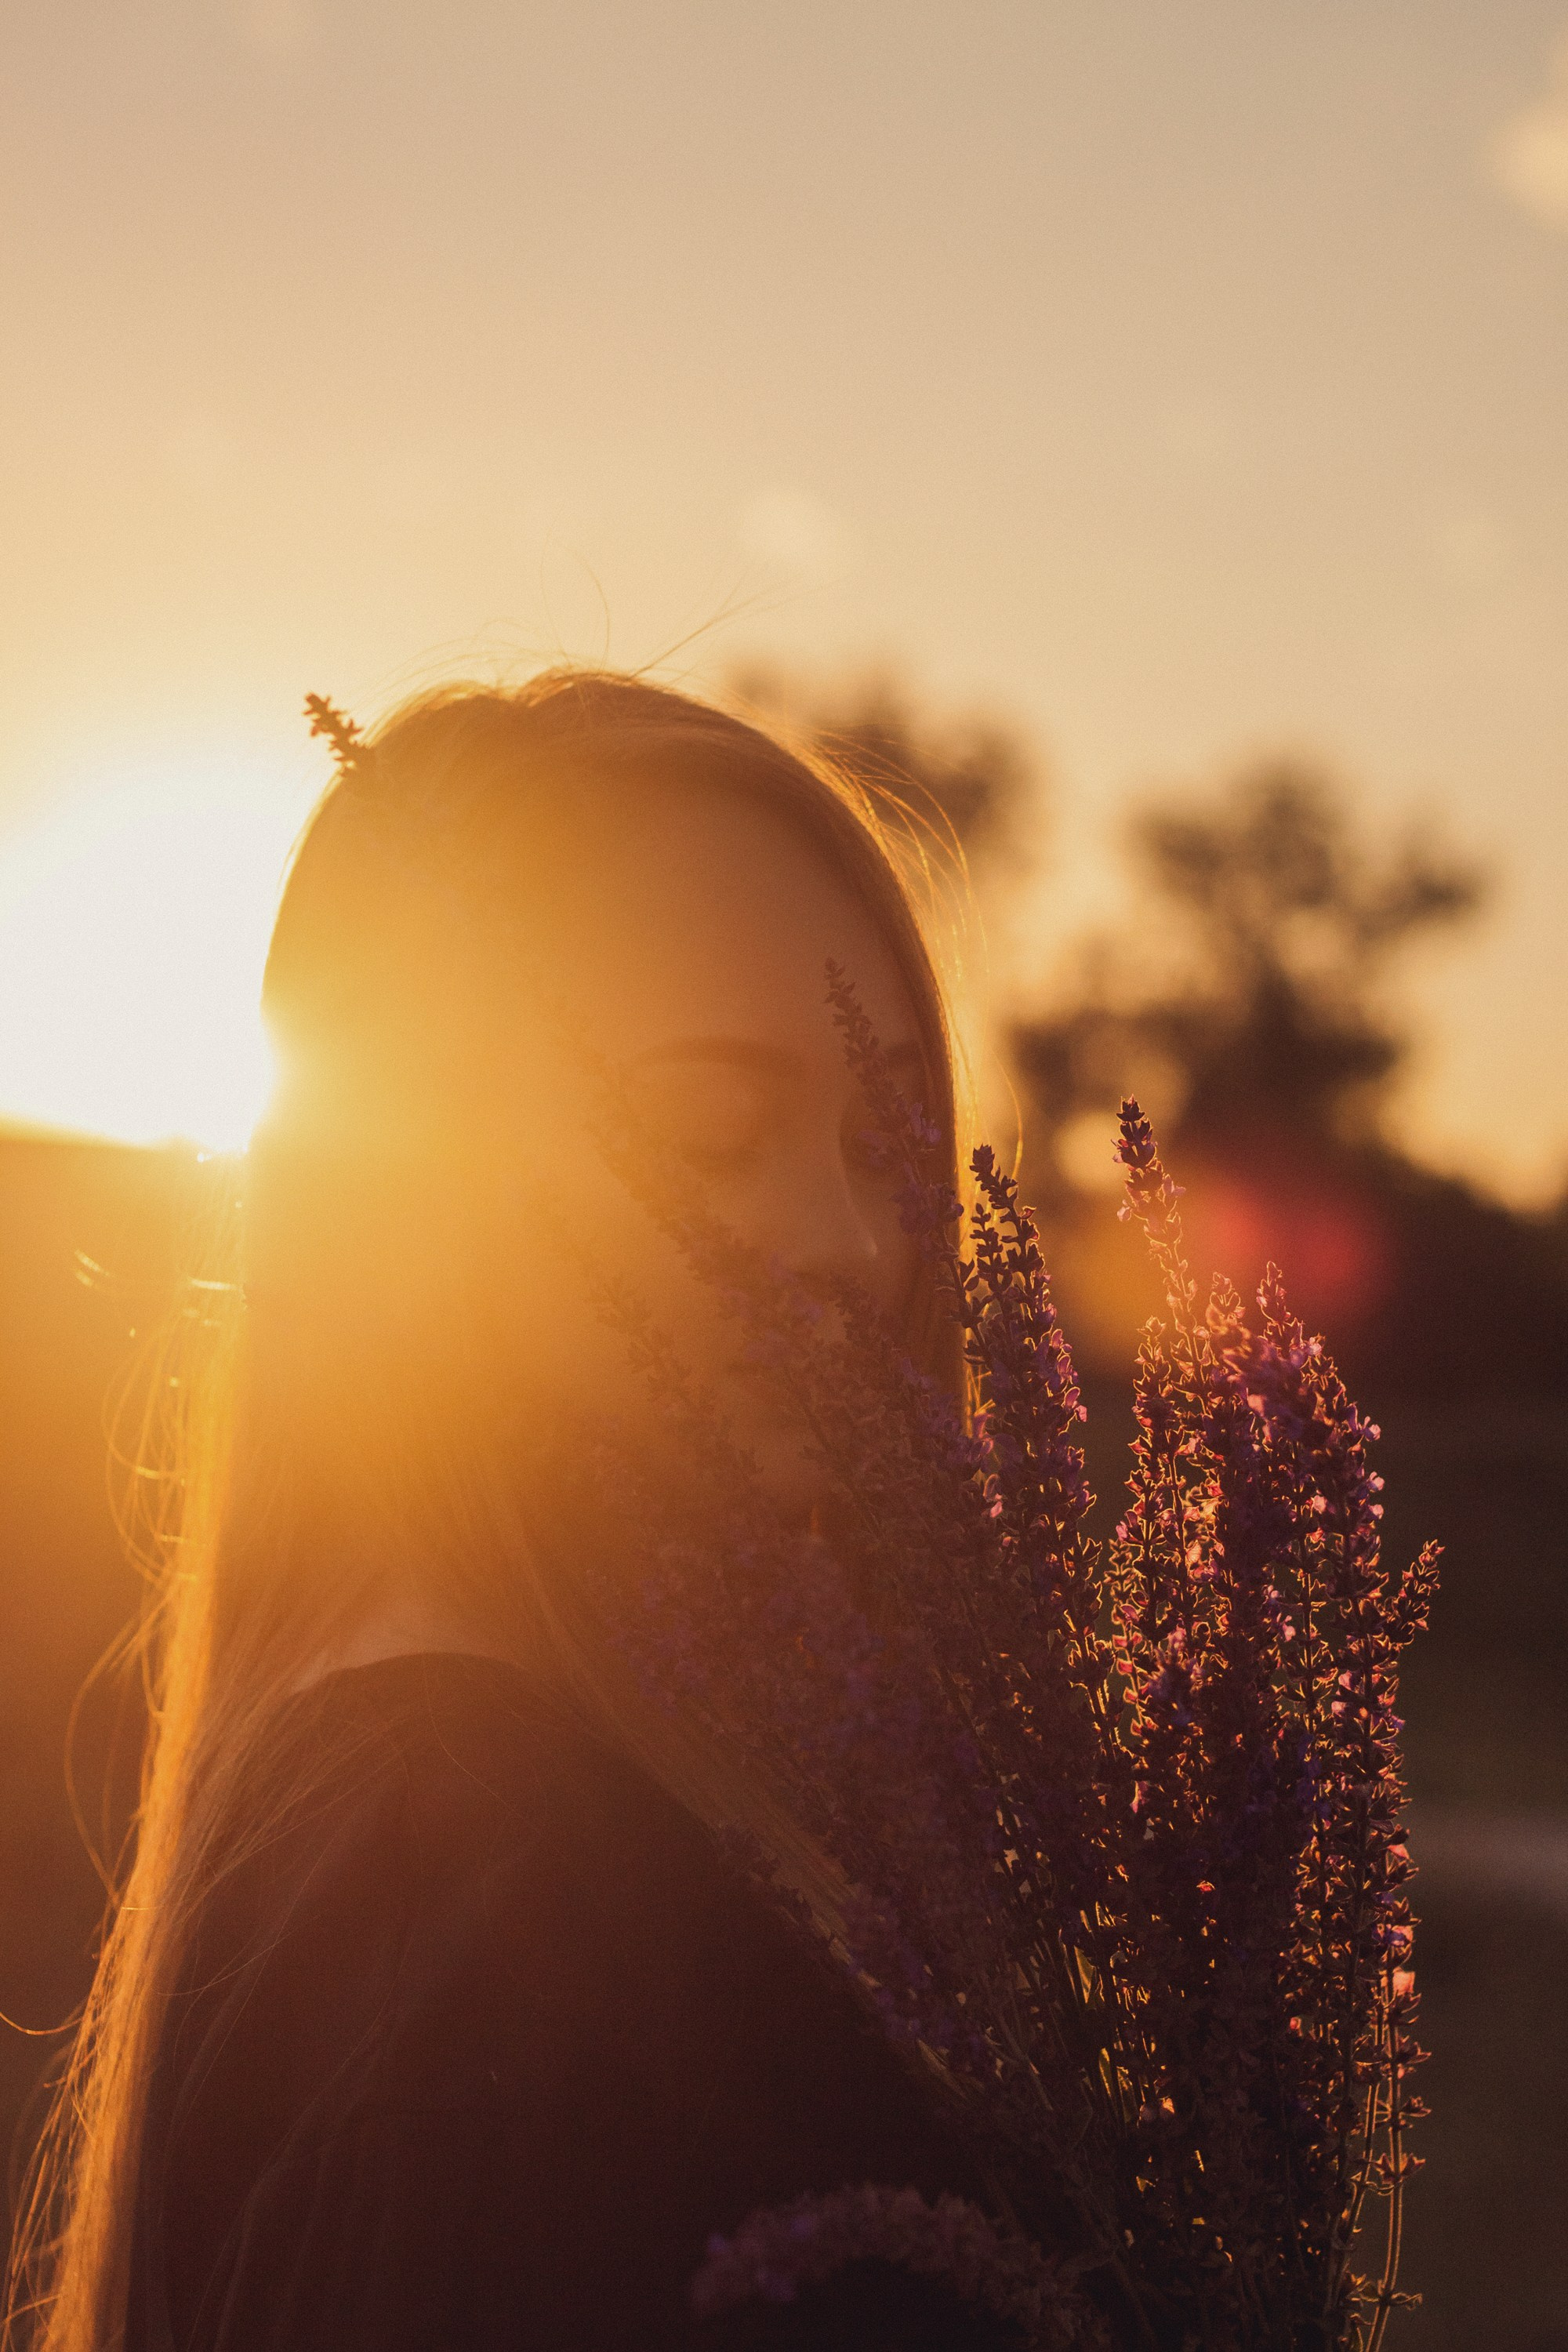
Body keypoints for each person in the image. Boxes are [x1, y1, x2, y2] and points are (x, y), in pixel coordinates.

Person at [8, 673, 1014, 2352]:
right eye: (711, 1132)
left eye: (881, 1143)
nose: (850, 1245)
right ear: (421, 1188)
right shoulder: (458, 1894)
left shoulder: (567, 1807)